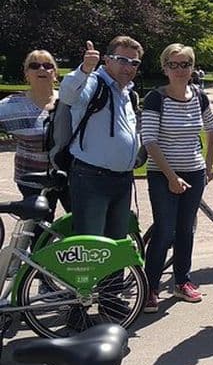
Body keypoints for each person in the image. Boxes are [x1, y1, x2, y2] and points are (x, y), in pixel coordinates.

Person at [141, 44, 213, 314]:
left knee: (186, 229)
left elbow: (212, 129)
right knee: (165, 230)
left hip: (193, 172)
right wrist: (171, 177)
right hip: (162, 174)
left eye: (185, 64)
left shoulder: (199, 96)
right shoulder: (156, 98)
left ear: (192, 67)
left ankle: (181, 280)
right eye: (174, 65)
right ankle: (150, 287)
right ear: (165, 68)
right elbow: (149, 140)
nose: (180, 70)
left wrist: (208, 166)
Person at [59, 37, 142, 239]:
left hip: (122, 180)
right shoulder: (93, 83)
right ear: (106, 60)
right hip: (91, 178)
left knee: (116, 245)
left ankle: (115, 274)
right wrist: (85, 69)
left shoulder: (129, 94)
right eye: (122, 60)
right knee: (92, 247)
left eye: (135, 63)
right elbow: (67, 95)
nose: (128, 67)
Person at [0, 50, 69, 215]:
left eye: (47, 65)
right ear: (26, 73)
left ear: (55, 73)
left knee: (78, 224)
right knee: (39, 228)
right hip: (31, 179)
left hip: (68, 177)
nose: (42, 69)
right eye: (34, 65)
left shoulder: (68, 102)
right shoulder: (10, 106)